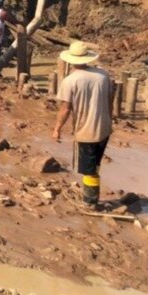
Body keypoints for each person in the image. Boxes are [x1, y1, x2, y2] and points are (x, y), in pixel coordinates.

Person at [52, 41, 113, 208]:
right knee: (96, 164)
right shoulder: (103, 75)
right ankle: (92, 196)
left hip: (86, 131)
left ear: (70, 61)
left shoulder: (70, 81)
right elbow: (110, 100)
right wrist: (110, 119)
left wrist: (57, 129)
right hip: (104, 127)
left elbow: (65, 109)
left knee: (88, 169)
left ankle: (89, 202)